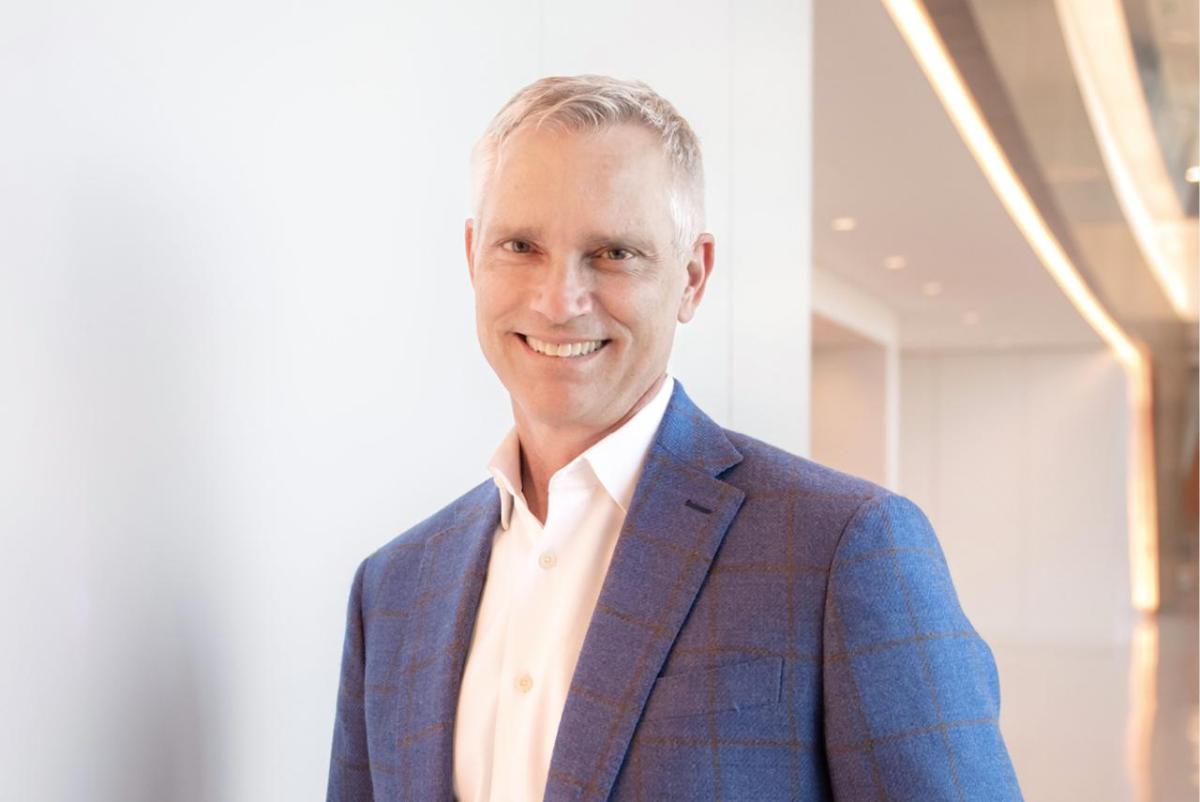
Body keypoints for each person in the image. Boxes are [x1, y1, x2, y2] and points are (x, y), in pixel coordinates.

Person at [326, 74, 1022, 801]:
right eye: (521, 245)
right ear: (474, 257)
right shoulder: (394, 590)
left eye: (614, 253)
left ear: (692, 277)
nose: (560, 300)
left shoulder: (845, 548)